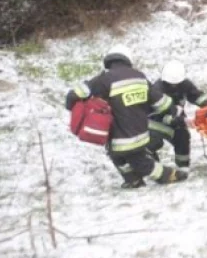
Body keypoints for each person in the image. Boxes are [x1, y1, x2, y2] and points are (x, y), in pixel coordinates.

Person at [64, 45, 188, 188]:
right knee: (126, 157)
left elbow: (76, 93)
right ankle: (134, 180)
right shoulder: (140, 77)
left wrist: (71, 105)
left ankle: (169, 175)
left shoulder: (105, 79)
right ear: (128, 59)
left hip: (119, 136)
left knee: (137, 162)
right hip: (142, 133)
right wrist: (174, 111)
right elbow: (161, 102)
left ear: (109, 60)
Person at [147, 60, 207, 170]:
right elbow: (158, 115)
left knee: (183, 136)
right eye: (171, 84)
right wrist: (181, 120)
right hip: (156, 121)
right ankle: (152, 165)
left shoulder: (185, 84)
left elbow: (196, 96)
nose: (174, 86)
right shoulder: (157, 90)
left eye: (177, 83)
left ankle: (183, 166)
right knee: (154, 141)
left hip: (177, 118)